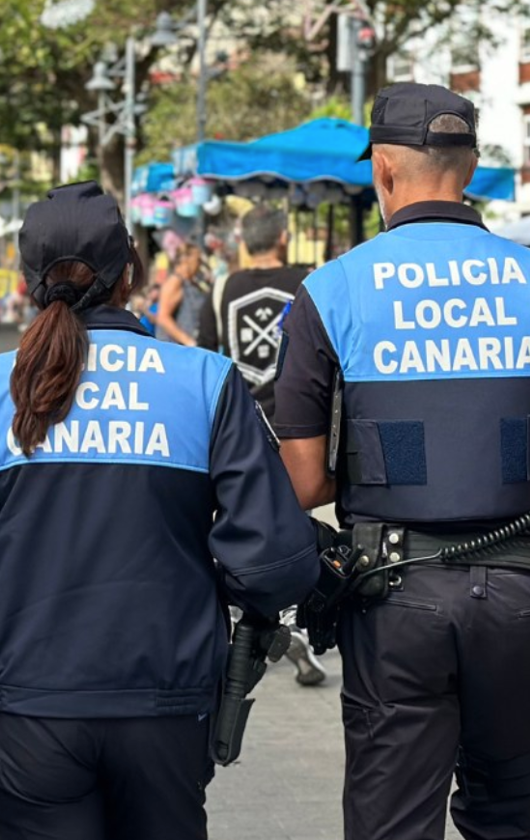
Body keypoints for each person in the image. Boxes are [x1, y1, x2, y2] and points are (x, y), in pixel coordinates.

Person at [273, 83, 530, 840]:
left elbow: (300, 483)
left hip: (393, 602)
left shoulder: (330, 293)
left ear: (385, 174)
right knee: (507, 820)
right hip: (526, 606)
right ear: (467, 167)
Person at [0, 182, 320, 840]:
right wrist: (203, 595)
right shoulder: (205, 381)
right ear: (131, 274)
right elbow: (275, 564)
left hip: (29, 699)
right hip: (167, 702)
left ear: (29, 280)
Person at [197, 205, 324, 686]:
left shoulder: (222, 288)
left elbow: (208, 358)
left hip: (239, 431)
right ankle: (296, 624)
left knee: (233, 526)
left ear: (244, 240)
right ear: (284, 237)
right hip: (297, 430)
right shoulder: (309, 284)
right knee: (298, 531)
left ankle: (242, 620)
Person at [155, 242, 210, 346]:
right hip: (176, 349)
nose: (200, 264)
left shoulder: (193, 282)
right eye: (198, 260)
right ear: (186, 260)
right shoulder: (174, 282)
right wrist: (189, 341)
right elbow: (163, 317)